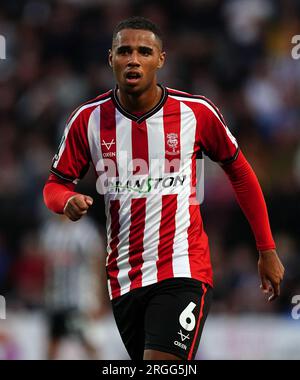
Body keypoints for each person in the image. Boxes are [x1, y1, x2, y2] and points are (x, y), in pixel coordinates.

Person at [43, 16, 285, 360]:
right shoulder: (88, 120)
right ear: (110, 58)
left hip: (184, 270)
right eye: (124, 51)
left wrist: (266, 248)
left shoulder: (195, 112)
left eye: (144, 51)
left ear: (160, 59)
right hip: (124, 279)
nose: (133, 59)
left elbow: (241, 173)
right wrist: (65, 200)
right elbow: (54, 185)